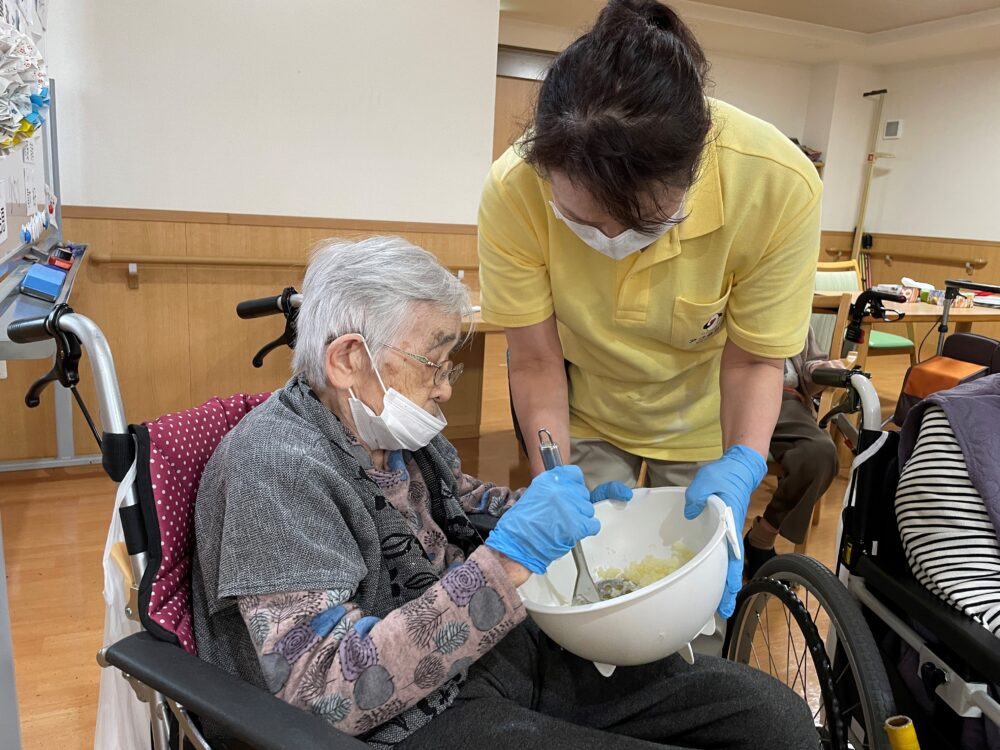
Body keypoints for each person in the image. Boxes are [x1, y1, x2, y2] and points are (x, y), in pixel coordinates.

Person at [191, 237, 817, 749]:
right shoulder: (274, 471)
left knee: (771, 719)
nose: (443, 389)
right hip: (404, 723)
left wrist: (557, 512)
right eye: (433, 363)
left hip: (494, 660)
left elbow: (460, 501)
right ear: (350, 359)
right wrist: (507, 561)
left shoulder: (390, 432)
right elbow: (322, 690)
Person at [478, 0, 822, 620]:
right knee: (572, 583)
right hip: (581, 408)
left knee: (693, 599)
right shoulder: (514, 188)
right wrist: (550, 471)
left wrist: (743, 462)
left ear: (695, 170)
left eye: (642, 223)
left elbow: (751, 364)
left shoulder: (775, 185)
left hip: (705, 419)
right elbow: (533, 360)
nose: (608, 243)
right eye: (580, 221)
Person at [743, 327, 843, 578]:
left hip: (785, 400)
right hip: (723, 395)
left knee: (819, 454)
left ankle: (761, 539)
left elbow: (811, 364)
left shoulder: (792, 305)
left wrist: (825, 369)